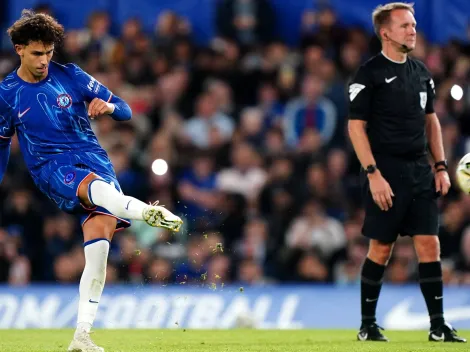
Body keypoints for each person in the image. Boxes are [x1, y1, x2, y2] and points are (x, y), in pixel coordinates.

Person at [3, 10, 183, 352]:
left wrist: (109, 107)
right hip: (52, 167)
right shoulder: (6, 93)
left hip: (95, 158)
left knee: (98, 253)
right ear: (19, 49)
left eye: (49, 52)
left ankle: (81, 336)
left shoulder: (70, 75)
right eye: (37, 53)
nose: (44, 60)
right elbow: (0, 144)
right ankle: (147, 212)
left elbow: (126, 109)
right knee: (99, 192)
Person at [348, 2, 466, 343]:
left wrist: (440, 166)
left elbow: (432, 122)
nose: (412, 30)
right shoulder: (368, 74)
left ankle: (438, 326)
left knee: (430, 245)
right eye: (405, 25)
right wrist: (373, 174)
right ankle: (367, 325)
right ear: (386, 32)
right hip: (384, 170)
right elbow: (356, 129)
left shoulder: (421, 73)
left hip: (419, 170)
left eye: (413, 24)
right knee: (381, 249)